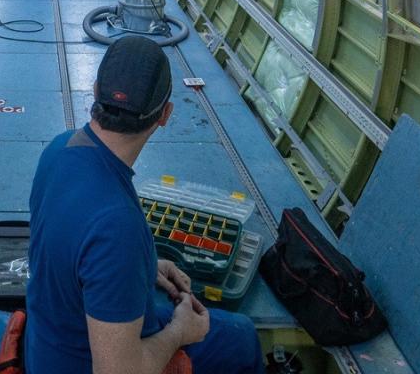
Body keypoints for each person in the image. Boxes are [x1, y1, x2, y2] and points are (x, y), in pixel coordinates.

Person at [27, 37, 267, 374]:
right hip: (81, 363)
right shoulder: (117, 225)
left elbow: (71, 247)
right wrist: (179, 332)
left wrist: (144, 266)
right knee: (242, 338)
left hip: (46, 341)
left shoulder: (58, 149)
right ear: (166, 115)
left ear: (95, 92)